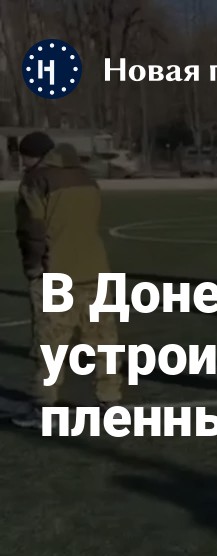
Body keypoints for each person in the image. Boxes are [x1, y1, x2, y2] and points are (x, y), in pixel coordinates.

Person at [13, 133, 122, 428]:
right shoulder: (87, 178)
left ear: (31, 156)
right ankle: (110, 400)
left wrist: (33, 268)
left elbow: (32, 231)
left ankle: (44, 406)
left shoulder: (35, 181)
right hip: (95, 270)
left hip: (57, 273)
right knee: (103, 341)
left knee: (51, 345)